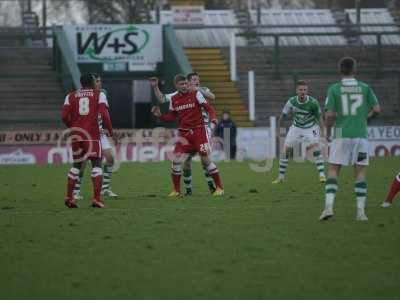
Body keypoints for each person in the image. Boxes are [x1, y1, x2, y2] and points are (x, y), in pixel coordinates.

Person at [320, 57, 381, 221]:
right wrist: (365, 119)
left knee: (333, 169)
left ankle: (328, 208)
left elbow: (330, 114)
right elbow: (376, 109)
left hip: (340, 133)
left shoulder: (334, 89)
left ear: (340, 70)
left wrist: (327, 131)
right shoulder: (365, 88)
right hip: (361, 134)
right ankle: (361, 213)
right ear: (355, 70)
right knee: (360, 171)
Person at [151, 74, 224, 197]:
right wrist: (160, 116)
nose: (185, 86)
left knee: (205, 159)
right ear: (176, 85)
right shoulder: (174, 99)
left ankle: (219, 188)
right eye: (182, 84)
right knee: (176, 160)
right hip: (184, 134)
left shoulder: (196, 94)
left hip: (199, 131)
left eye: (186, 83)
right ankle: (176, 191)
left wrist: (213, 118)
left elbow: (208, 107)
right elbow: (172, 117)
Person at [61, 73, 113, 208]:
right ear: (92, 82)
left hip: (77, 135)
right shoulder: (99, 94)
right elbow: (104, 114)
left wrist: (73, 127)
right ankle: (96, 199)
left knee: (76, 165)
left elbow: (64, 116)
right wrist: (110, 131)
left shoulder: (70, 96)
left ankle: (69, 197)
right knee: (96, 164)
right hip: (92, 134)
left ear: (81, 83)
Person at [72, 73, 118, 200]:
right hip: (88, 132)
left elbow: (104, 114)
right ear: (92, 82)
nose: (99, 83)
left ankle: (105, 189)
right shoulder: (82, 95)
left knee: (110, 158)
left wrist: (106, 130)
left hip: (100, 132)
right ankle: (76, 191)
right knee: (82, 163)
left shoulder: (103, 93)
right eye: (97, 81)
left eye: (100, 81)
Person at [272, 80, 326, 184]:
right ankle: (281, 177)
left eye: (305, 90)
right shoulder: (291, 102)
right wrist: (278, 132)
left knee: (314, 148)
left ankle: (322, 175)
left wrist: (323, 132)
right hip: (296, 127)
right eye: (300, 90)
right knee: (285, 151)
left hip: (311, 127)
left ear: (307, 90)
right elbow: (282, 117)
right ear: (296, 91)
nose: (303, 92)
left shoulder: (313, 102)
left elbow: (320, 118)